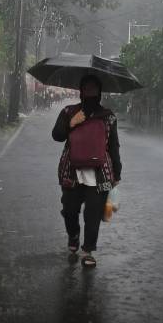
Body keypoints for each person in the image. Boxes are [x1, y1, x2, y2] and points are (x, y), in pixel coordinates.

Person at [52, 75, 122, 268]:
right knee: (69, 211)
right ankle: (73, 235)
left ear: (99, 92)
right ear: (81, 91)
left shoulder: (108, 117)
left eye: (94, 89)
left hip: (100, 176)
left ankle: (88, 250)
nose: (90, 92)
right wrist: (71, 123)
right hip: (71, 173)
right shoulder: (69, 112)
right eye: (87, 88)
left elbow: (113, 147)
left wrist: (117, 174)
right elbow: (56, 135)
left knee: (93, 215)